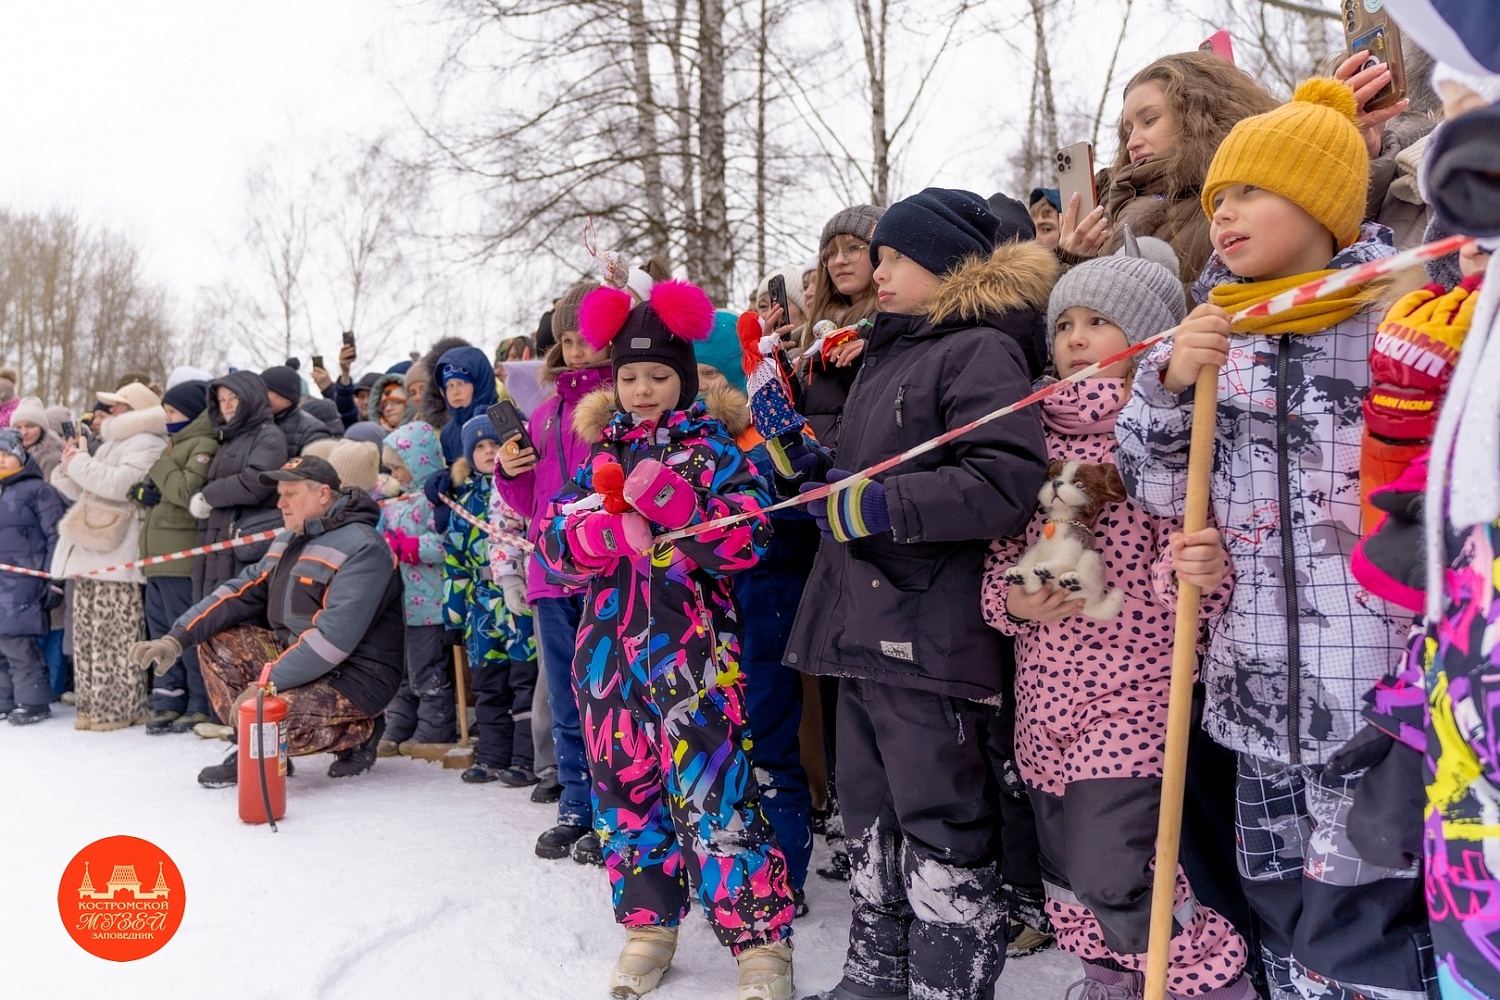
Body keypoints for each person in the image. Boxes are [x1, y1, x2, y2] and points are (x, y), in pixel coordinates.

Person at [1115, 79, 1433, 1000]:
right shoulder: (1217, 333)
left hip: (1374, 684)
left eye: (1250, 192)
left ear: (1324, 204)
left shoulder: (1397, 317)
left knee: (1367, 907)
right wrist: (1169, 387)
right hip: (1253, 686)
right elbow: (1162, 488)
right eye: (1216, 199)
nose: (1224, 215)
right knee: (1277, 894)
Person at [773, 189, 1052, 1000]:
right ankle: (874, 974)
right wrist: (813, 471)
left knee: (938, 817)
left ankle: (946, 984)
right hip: (859, 621)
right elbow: (872, 474)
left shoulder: (979, 352)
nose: (879, 270)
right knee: (869, 815)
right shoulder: (888, 352)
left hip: (929, 628)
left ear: (942, 262)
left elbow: (1005, 481)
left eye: (894, 257)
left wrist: (880, 506)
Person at [983, 238, 1255, 999]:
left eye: (1097, 321)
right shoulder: (1027, 438)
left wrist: (1195, 574)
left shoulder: (1168, 432)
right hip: (1044, 698)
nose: (1074, 337)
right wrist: (1011, 601)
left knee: (1117, 870)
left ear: (1146, 338)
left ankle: (1210, 982)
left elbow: (1198, 568)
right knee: (1068, 873)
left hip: (1135, 697)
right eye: (1063, 323)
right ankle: (1110, 983)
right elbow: (999, 560)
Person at [541, 278, 796, 1000]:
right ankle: (648, 927)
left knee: (717, 794)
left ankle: (759, 943)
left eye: (658, 375)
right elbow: (553, 545)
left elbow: (753, 537)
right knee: (624, 793)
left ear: (683, 379)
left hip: (694, 660)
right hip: (608, 663)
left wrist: (687, 511)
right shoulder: (597, 455)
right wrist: (589, 532)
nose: (643, 388)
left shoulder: (714, 449)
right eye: (629, 376)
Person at [128, 456, 405, 785]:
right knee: (218, 640)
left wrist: (264, 686)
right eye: (280, 493)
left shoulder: (364, 547)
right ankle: (256, 748)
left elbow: (332, 640)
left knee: (272, 717)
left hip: (355, 678)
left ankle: (361, 731)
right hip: (301, 661)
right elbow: (237, 591)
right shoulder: (290, 538)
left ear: (323, 494)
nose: (281, 502)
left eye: (291, 493)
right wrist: (177, 637)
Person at [697, 309, 819, 917]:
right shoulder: (681, 449)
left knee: (770, 746)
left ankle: (788, 874)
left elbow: (802, 512)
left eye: (707, 376)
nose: (698, 391)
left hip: (764, 619)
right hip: (702, 631)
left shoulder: (765, 436)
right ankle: (730, 869)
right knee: (717, 754)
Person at [494, 278, 614, 861]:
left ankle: (616, 810)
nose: (576, 351)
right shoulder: (542, 416)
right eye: (566, 340)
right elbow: (529, 504)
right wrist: (511, 471)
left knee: (609, 695)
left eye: (587, 337)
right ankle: (575, 803)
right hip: (549, 575)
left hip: (606, 571)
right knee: (566, 695)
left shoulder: (618, 403)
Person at [1059, 51, 1278, 291]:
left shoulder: (1233, 200)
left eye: (1149, 121)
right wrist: (1075, 261)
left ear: (1199, 116)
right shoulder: (1113, 213)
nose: (1132, 142)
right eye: (1128, 130)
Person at [50, 382, 168, 731]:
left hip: (118, 552)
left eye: (117, 406)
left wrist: (81, 463)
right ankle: (92, 705)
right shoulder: (114, 443)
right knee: (88, 637)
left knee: (114, 637)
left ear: (135, 411)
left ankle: (119, 708)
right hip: (92, 545)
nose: (110, 412)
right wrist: (68, 463)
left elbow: (121, 485)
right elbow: (87, 487)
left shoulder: (149, 441)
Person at [431, 414, 538, 787]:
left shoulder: (519, 486)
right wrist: (454, 613)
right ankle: (493, 755)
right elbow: (455, 560)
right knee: (489, 684)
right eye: (480, 447)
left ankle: (526, 758)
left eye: (496, 444)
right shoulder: (463, 498)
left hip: (518, 597)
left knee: (525, 679)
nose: (490, 451)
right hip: (481, 605)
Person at [135, 380, 220, 735]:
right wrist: (141, 490)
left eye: (172, 411)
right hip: (156, 557)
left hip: (179, 556)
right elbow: (154, 488)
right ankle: (168, 698)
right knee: (159, 631)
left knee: (182, 634)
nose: (167, 418)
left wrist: (160, 469)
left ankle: (199, 702)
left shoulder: (203, 443)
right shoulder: (176, 443)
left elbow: (186, 491)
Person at [377, 421, 457, 756]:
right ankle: (398, 723)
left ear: (418, 461)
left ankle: (433, 730)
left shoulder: (435, 499)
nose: (396, 475)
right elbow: (381, 537)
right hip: (400, 603)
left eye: (400, 467)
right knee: (402, 670)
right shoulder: (394, 502)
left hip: (430, 604)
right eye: (392, 469)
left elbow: (447, 543)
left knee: (427, 670)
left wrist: (413, 546)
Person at [190, 372, 289, 601]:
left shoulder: (268, 435)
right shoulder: (231, 440)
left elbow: (258, 481)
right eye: (222, 400)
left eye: (234, 397)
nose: (227, 405)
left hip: (242, 551)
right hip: (217, 548)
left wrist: (207, 496)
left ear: (251, 397)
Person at [0, 429, 65, 725]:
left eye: (6, 454)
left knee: (18, 642)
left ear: (21, 456)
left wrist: (55, 579)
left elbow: (57, 535)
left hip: (25, 580)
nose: (0, 460)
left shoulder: (39, 490)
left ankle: (34, 700)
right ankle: (5, 699)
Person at [434, 346, 500, 465]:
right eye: (449, 385)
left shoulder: (502, 419)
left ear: (479, 384)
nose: (455, 392)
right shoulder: (448, 433)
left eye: (462, 383)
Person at [260, 365, 333, 456]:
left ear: (287, 398)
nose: (260, 395)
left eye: (267, 390)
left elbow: (313, 468)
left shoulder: (311, 431)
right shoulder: (255, 423)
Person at [10, 396, 62, 478]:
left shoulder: (52, 458)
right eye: (18, 427)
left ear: (42, 429)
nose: (23, 432)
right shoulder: (8, 455)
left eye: (30, 426)